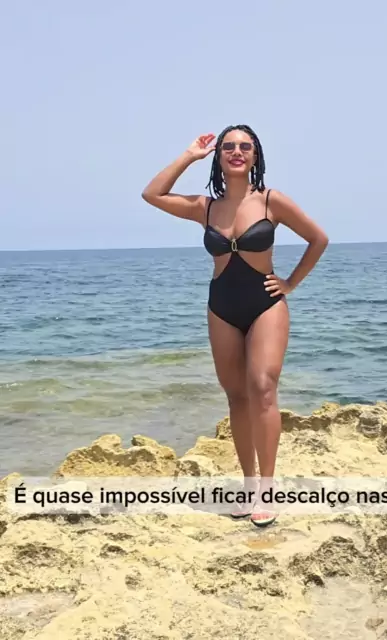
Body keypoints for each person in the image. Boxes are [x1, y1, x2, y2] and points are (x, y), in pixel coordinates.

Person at [142, 124, 329, 527]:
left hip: (266, 304)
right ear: (219, 157)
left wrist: (291, 283)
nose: (237, 152)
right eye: (228, 147)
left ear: (256, 154)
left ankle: (267, 488)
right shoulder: (205, 207)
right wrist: (189, 156)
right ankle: (249, 484)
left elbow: (318, 239)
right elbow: (152, 194)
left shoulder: (272, 201)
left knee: (262, 387)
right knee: (237, 397)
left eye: (245, 146)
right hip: (221, 307)